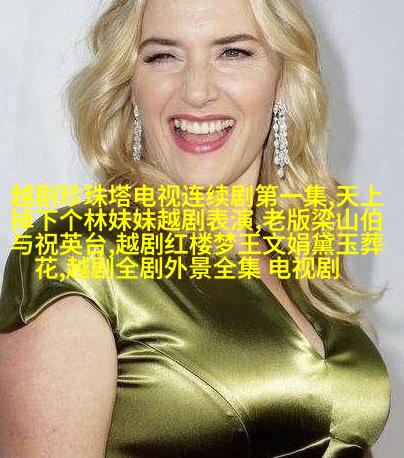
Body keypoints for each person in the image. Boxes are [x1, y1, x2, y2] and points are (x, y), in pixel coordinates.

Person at [0, 0, 390, 457]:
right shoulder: (76, 256)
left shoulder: (300, 253)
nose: (197, 91)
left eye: (233, 53)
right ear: (130, 83)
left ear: (281, 76)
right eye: (163, 55)